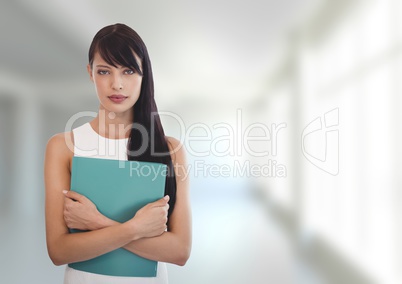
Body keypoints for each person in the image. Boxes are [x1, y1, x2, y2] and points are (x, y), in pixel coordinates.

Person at [44, 23, 192, 284]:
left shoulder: (170, 150)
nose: (117, 84)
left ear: (144, 75)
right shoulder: (63, 146)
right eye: (104, 71)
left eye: (129, 70)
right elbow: (58, 251)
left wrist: (96, 221)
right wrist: (136, 229)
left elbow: (180, 251)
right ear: (90, 73)